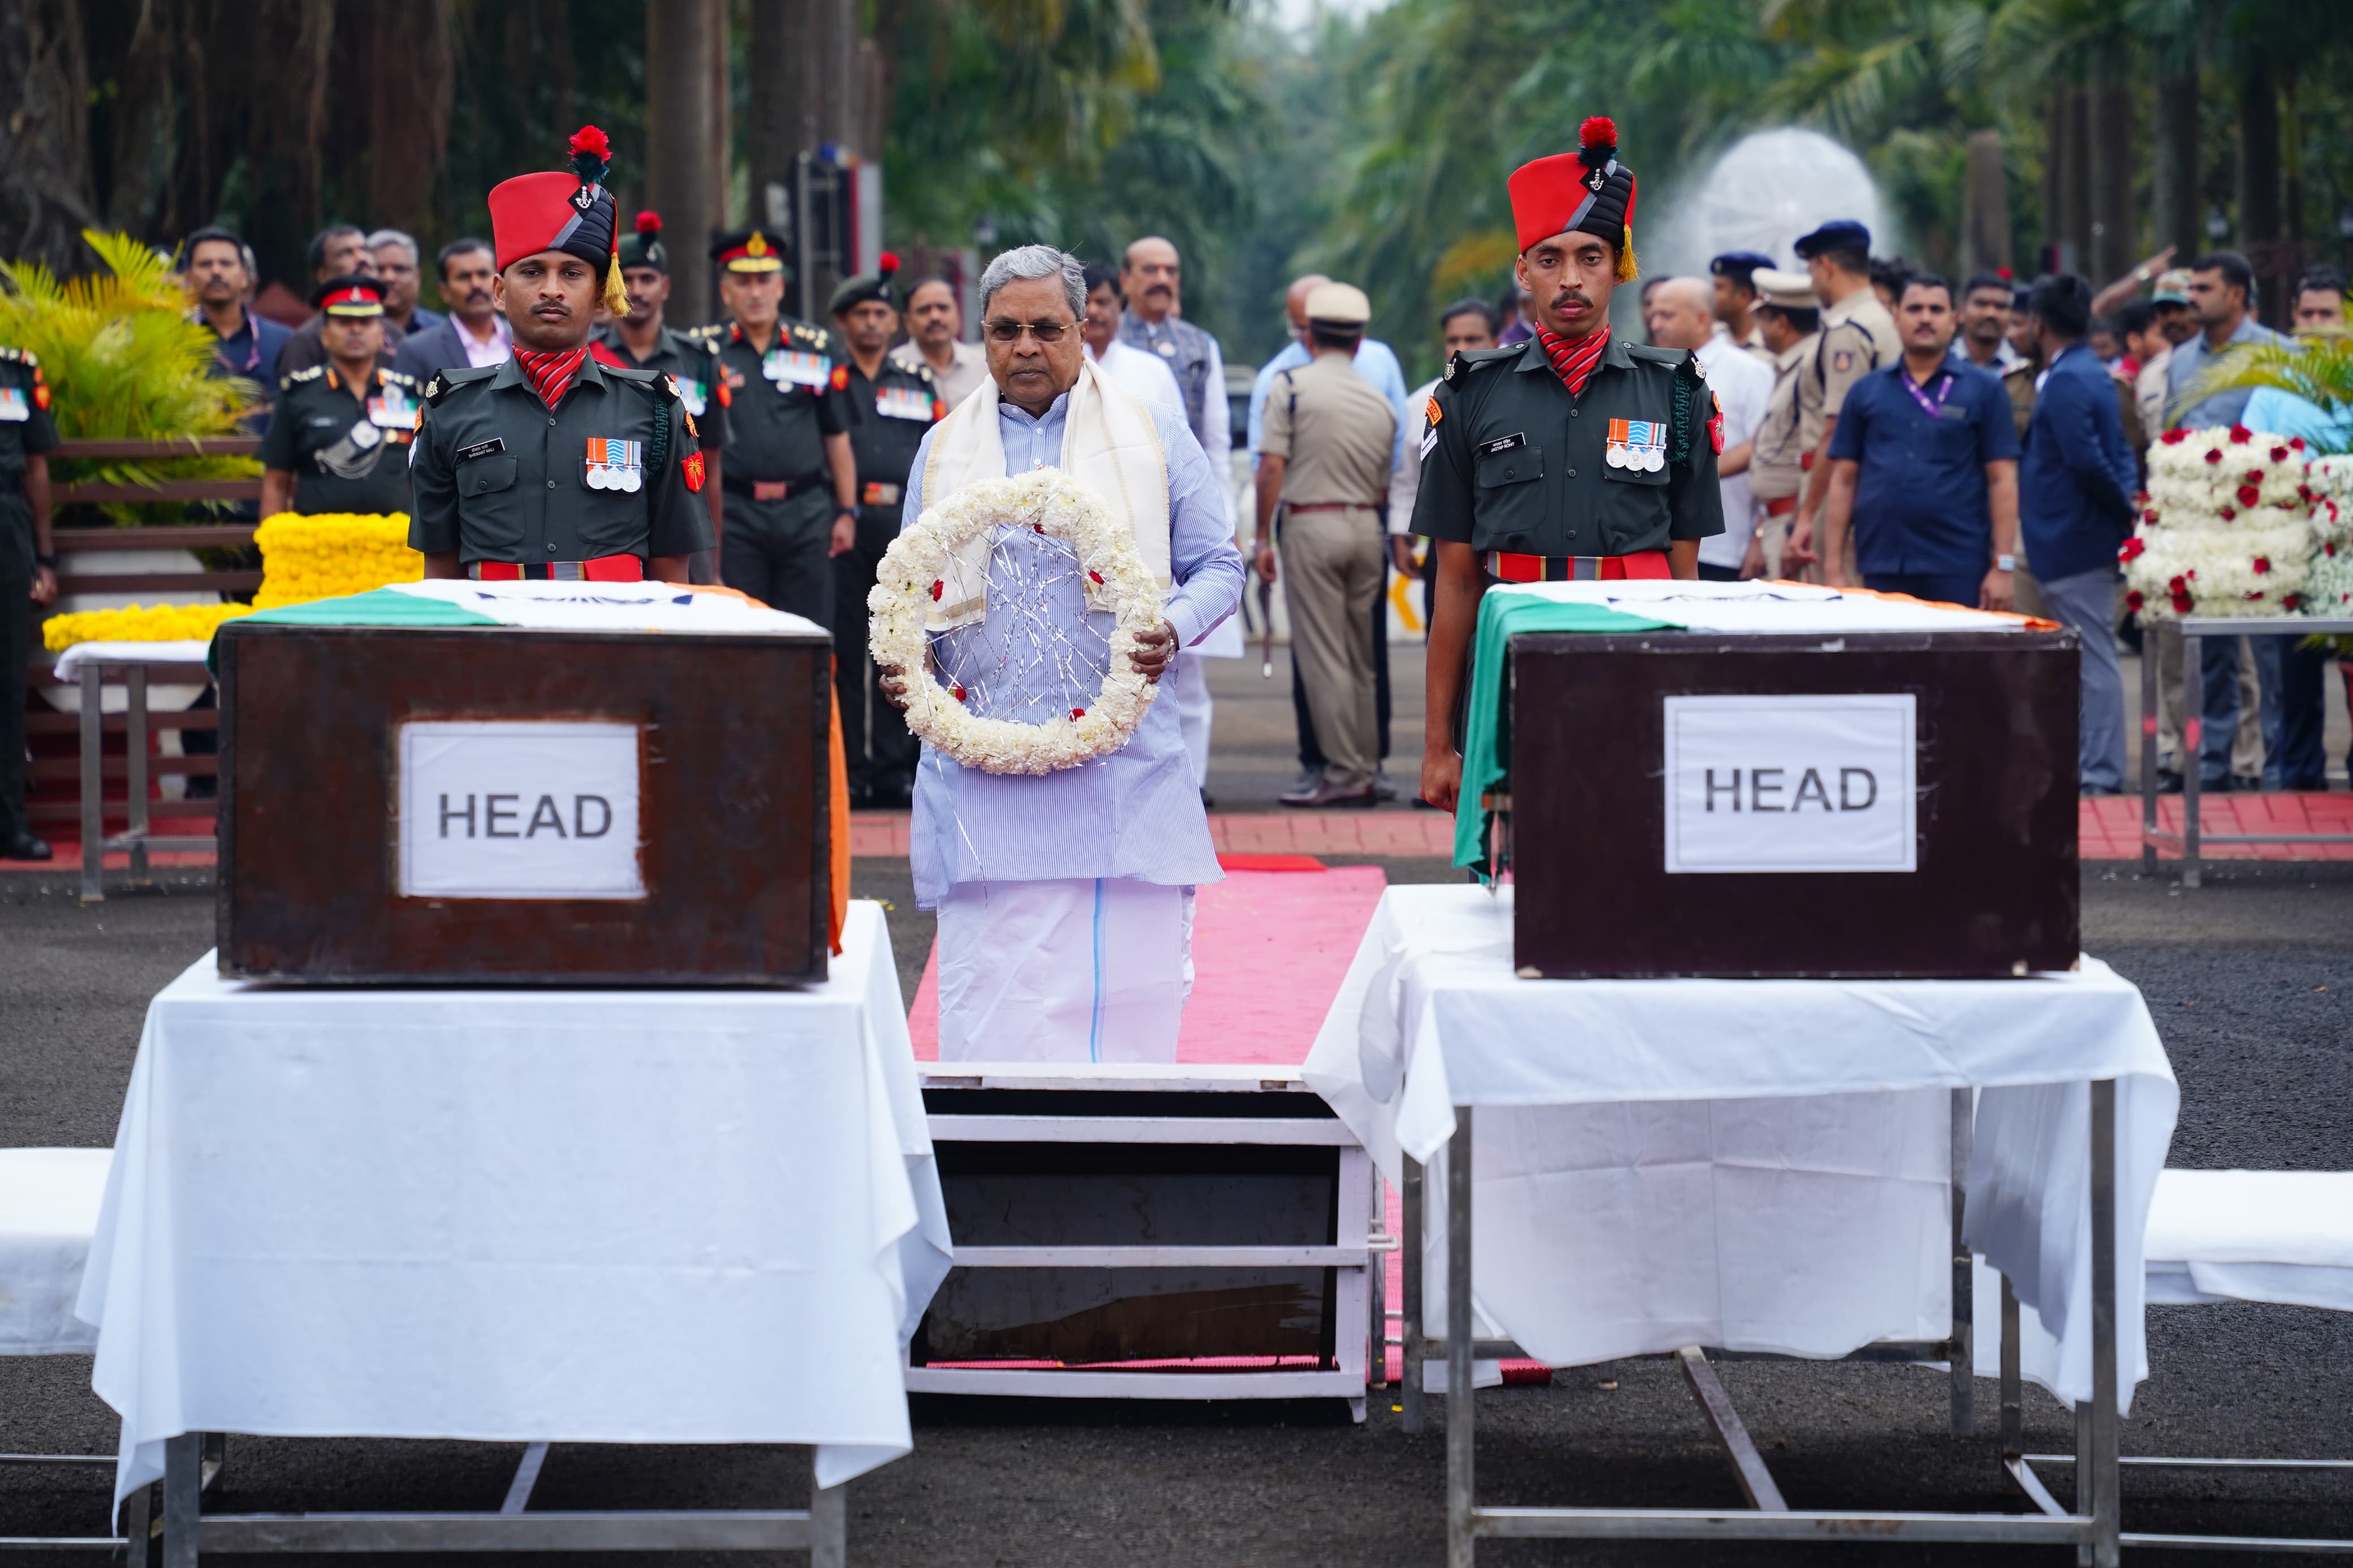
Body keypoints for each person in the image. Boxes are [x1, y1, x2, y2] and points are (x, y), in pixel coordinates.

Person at [876, 245, 1245, 1061]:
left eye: (1048, 328)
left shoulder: (1152, 435)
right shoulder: (942, 450)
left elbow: (1221, 566)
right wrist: (906, 664)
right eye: (1006, 330)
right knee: (994, 1014)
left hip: (1122, 767)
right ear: (984, 336)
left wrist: (1173, 627)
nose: (1026, 348)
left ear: (1083, 330)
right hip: (983, 775)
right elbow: (907, 592)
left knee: (1125, 1013)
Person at [1413, 116, 1723, 813]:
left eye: (1590, 256)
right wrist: (1438, 744)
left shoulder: (1675, 392)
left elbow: (1684, 573)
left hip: (1633, 655)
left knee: (1629, 848)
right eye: (1549, 259)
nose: (1571, 279)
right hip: (1512, 659)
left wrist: (1694, 708)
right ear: (1522, 272)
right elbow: (1457, 583)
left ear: (1618, 265)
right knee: (1510, 868)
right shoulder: (1468, 395)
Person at [408, 127, 712, 585]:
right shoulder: (450, 408)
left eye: (572, 273)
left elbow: (672, 570)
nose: (551, 289)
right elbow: (440, 571)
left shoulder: (654, 408)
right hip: (496, 641)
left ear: (599, 296)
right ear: (498, 292)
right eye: (532, 271)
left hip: (614, 640)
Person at [1247, 271, 1411, 797]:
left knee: (1323, 657)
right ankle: (1365, 767)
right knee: (1363, 657)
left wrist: (1263, 537)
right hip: (1369, 525)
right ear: (1360, 340)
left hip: (1312, 525)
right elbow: (1393, 471)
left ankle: (1343, 775)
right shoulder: (1381, 401)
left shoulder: (1290, 387)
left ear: (1309, 337)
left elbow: (1271, 467)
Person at [1819, 273, 2020, 610]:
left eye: (1936, 310)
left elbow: (2002, 480)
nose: (1925, 318)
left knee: (1954, 662)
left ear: (1953, 319)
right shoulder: (1866, 391)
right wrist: (1834, 568)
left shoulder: (1986, 390)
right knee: (1886, 662)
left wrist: (2003, 566)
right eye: (1914, 309)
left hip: (1958, 562)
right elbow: (1843, 480)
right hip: (1882, 561)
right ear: (1895, 317)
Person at [2168, 250, 2290, 792]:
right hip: (2200, 529)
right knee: (2210, 650)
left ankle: (2280, 765)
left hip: (2265, 526)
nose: (2191, 297)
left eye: (2203, 288)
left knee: (2271, 651)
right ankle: (2213, 765)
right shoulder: (2180, 360)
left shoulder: (2278, 353)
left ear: (2237, 294)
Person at [693, 228, 858, 625]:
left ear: (780, 286)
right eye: (743, 282)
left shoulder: (815, 347)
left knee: (809, 631)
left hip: (806, 512)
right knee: (741, 629)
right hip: (734, 514)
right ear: (725, 290)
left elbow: (837, 436)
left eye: (764, 280)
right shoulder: (702, 350)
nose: (755, 292)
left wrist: (848, 511)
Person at [2016, 273, 2139, 794]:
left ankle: (2101, 772)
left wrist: (2122, 512)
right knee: (2089, 656)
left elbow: (2088, 460)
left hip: (2074, 538)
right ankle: (2091, 766)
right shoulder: (2092, 370)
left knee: (2093, 658)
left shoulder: (2068, 379)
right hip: (2078, 536)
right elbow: (2117, 454)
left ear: (2039, 324)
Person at [828, 254, 941, 809]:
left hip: (903, 527)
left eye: (880, 313)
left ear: (894, 323)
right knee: (848, 651)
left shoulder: (916, 382)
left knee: (899, 648)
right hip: (844, 526)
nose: (872, 323)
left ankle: (896, 767)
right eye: (860, 314)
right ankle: (850, 767)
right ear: (843, 322)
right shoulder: (827, 378)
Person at [593, 210, 727, 570]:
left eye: (648, 279)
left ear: (665, 287)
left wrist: (712, 567)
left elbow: (710, 468)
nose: (637, 290)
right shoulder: (587, 356)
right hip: (607, 532)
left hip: (683, 532)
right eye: (630, 279)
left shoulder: (699, 360)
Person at [1787, 220, 1897, 582]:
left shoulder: (1849, 329)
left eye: (1812, 270)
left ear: (1827, 266)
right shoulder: (1879, 319)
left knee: (1831, 602)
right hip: (1865, 485)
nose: (1813, 281)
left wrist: (1807, 516)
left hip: (1837, 489)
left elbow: (1835, 431)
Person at [259, 275, 421, 518]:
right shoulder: (299, 394)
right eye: (344, 322)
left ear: (381, 334)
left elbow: (429, 476)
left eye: (365, 322)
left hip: (396, 545)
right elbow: (276, 481)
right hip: (319, 544)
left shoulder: (409, 394)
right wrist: (271, 549)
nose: (356, 329)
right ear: (324, 335)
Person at [1649, 275, 1772, 582]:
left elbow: (1765, 449)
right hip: (1658, 542)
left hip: (1728, 544)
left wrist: (1761, 534)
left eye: (1667, 315)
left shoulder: (1749, 371)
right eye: (1653, 315)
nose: (1656, 324)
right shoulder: (1650, 372)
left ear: (1702, 318)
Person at [1392, 299, 1500, 585]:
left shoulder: (1523, 397)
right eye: (1453, 339)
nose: (1461, 348)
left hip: (1509, 551)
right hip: (1444, 550)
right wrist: (1401, 533)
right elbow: (1407, 478)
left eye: (1473, 339)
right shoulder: (1421, 404)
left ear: (1497, 340)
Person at [0, 343, 58, 861]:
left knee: (7, 680)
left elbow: (37, 465)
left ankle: (9, 822)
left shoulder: (16, 370)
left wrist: (45, 558)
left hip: (6, 523)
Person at [1742, 267, 1822, 578]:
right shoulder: (1791, 367)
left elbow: (1816, 453)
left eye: (1762, 318)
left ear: (1782, 323)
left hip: (1797, 524)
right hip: (1781, 521)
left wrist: (1800, 523)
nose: (1758, 327)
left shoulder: (1810, 368)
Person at [1117, 237, 1229, 460]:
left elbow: (1215, 438)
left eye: (1171, 271)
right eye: (1150, 270)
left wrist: (1220, 491)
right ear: (1125, 280)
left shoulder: (1200, 345)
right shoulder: (1105, 339)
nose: (1162, 279)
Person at [184, 227, 292, 399]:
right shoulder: (171, 339)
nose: (216, 272)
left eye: (226, 264)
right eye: (205, 264)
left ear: (244, 277)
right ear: (189, 278)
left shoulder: (283, 341)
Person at [393, 240, 512, 378]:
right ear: (444, 292)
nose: (476, 284)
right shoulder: (416, 351)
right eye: (464, 277)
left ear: (499, 284)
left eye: (483, 274)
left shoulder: (524, 339)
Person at [274, 223, 376, 376]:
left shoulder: (393, 333)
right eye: (346, 253)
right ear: (323, 275)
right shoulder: (306, 342)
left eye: (364, 250)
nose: (361, 258)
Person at [1080, 262, 1183, 411]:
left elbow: (1175, 431)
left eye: (1102, 302)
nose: (1093, 311)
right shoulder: (1060, 370)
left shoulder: (1154, 371)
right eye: (1084, 303)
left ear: (1120, 305)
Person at [887, 276, 989, 409]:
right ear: (907, 322)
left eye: (943, 308)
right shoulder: (892, 369)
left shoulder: (985, 366)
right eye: (924, 310)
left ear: (957, 314)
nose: (935, 317)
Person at [366, 230, 445, 338]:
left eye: (399, 269)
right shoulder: (350, 331)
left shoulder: (442, 333)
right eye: (379, 270)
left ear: (417, 278)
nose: (389, 278)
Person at [1708, 251, 1775, 365]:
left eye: (1719, 288)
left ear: (1744, 296)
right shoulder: (1710, 338)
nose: (1711, 294)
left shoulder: (1772, 348)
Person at [1955, 272, 2022, 374]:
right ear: (1961, 313)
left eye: (2000, 306)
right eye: (1981, 304)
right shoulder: (1939, 362)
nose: (1991, 314)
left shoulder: (2022, 369)